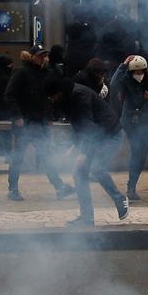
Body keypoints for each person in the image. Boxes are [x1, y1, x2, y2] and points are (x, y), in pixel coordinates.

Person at [44, 76, 130, 226]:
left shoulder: (79, 96)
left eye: (52, 96)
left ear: (59, 92)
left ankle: (120, 199)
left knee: (97, 168)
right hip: (97, 136)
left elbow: (89, 128)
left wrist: (83, 152)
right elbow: (79, 126)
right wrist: (74, 145)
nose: (52, 99)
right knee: (79, 173)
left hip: (110, 135)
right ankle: (87, 218)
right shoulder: (67, 97)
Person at [4, 46, 75, 202]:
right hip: (24, 123)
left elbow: (47, 99)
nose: (44, 58)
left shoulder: (46, 74)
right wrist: (17, 116)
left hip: (40, 122)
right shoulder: (21, 72)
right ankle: (13, 189)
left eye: (45, 55)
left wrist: (49, 116)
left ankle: (59, 187)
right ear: (32, 56)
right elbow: (10, 95)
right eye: (41, 56)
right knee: (18, 157)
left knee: (46, 155)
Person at [111, 55, 148, 201]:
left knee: (142, 155)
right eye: (135, 72)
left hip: (146, 123)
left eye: (141, 71)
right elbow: (113, 83)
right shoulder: (125, 79)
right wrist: (123, 65)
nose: (139, 74)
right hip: (130, 123)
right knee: (137, 153)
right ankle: (131, 188)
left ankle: (132, 185)